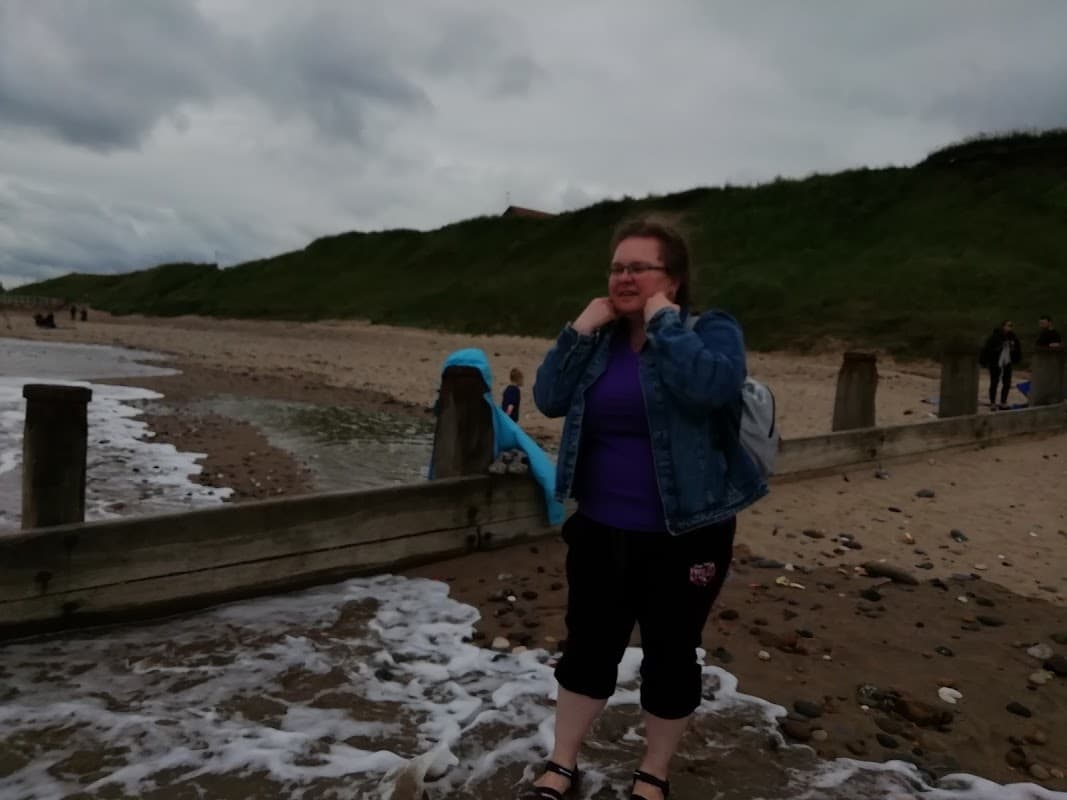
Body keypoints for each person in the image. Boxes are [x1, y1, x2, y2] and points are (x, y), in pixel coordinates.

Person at [523, 218, 767, 800]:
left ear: (673, 279)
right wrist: (581, 327)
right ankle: (562, 763)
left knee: (671, 653)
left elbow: (711, 387)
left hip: (689, 531)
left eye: (639, 267)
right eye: (616, 266)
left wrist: (661, 322)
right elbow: (549, 398)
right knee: (588, 647)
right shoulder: (600, 339)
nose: (623, 277)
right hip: (601, 527)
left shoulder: (712, 331)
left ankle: (653, 773)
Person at [979, 320, 1022, 409]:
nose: (1010, 327)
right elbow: (988, 349)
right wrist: (1001, 346)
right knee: (994, 382)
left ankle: (1003, 402)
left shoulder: (1013, 337)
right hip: (995, 362)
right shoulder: (995, 336)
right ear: (1003, 326)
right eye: (1008, 325)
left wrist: (1012, 347)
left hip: (1007, 362)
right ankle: (993, 402)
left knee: (1007, 382)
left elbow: (1017, 349)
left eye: (1011, 326)